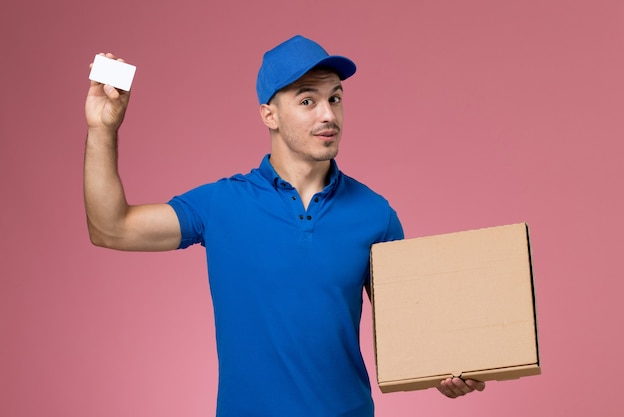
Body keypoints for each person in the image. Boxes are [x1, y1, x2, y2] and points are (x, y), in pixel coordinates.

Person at [84, 35, 485, 417]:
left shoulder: (375, 214)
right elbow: (111, 228)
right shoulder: (222, 204)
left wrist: (450, 370)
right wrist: (103, 130)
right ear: (269, 115)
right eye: (308, 100)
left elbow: (413, 331)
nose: (328, 114)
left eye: (335, 98)